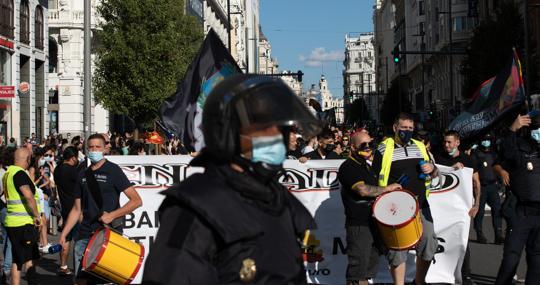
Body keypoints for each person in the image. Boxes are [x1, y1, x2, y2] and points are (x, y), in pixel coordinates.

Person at [142, 75, 321, 284]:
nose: (290, 137)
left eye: (288, 129)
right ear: (232, 132)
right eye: (274, 128)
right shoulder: (197, 206)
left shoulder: (278, 200)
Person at [59, 134, 142, 285]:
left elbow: (136, 201)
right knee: (80, 280)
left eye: (98, 147)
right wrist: (64, 233)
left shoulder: (113, 170)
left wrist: (112, 215)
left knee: (105, 280)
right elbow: (77, 209)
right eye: (91, 147)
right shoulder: (82, 173)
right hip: (84, 234)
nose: (94, 150)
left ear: (104, 149)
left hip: (108, 234)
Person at [371, 112, 438, 285]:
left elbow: (434, 171)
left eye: (410, 128)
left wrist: (432, 167)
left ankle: (419, 281)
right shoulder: (384, 148)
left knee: (429, 243)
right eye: (403, 128)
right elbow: (373, 176)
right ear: (395, 128)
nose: (407, 131)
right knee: (398, 249)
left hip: (421, 203)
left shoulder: (419, 146)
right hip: (395, 206)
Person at [338, 131, 401, 285]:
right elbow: (362, 190)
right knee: (357, 272)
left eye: (370, 144)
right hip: (359, 225)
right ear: (352, 147)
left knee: (367, 271)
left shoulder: (367, 166)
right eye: (363, 145)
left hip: (373, 224)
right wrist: (387, 189)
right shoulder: (348, 167)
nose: (368, 148)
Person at [495, 112, 540, 284]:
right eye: (536, 128)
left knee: (536, 261)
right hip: (522, 212)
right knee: (511, 258)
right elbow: (506, 153)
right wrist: (512, 130)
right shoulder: (520, 148)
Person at [434, 130, 481, 285]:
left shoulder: (469, 160)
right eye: (445, 142)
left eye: (449, 142)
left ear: (457, 143)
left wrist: (476, 204)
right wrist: (451, 169)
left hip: (462, 209)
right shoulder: (439, 158)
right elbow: (433, 177)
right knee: (442, 239)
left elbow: (476, 183)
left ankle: (466, 274)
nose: (446, 145)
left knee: (462, 241)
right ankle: (441, 271)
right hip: (443, 209)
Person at [3, 148, 41, 285]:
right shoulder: (19, 174)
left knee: (17, 259)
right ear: (27, 159)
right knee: (29, 259)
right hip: (23, 223)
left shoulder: (8, 173)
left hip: (12, 221)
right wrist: (37, 216)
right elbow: (29, 195)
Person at [53, 146, 80, 276]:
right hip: (76, 208)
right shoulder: (72, 171)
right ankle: (81, 267)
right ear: (73, 157)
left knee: (66, 237)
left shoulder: (57, 169)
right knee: (81, 239)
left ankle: (63, 265)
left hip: (65, 206)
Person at [473, 134, 504, 244]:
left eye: (488, 140)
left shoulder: (493, 153)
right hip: (481, 186)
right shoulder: (476, 153)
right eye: (484, 140)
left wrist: (500, 181)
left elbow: (498, 166)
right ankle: (479, 233)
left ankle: (498, 234)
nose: (486, 142)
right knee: (480, 211)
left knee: (497, 210)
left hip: (493, 185)